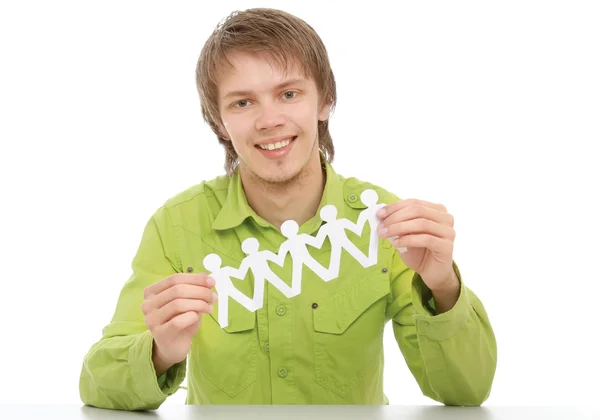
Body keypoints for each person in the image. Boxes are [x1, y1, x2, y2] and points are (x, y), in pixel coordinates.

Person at [79, 7, 497, 410]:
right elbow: (97, 385)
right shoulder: (177, 225)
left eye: (289, 93)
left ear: (324, 101)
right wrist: (159, 353)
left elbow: (466, 392)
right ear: (219, 121)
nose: (269, 120)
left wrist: (442, 285)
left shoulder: (383, 223)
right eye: (243, 102)